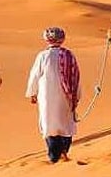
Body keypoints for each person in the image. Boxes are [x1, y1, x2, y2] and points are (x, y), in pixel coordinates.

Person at [25, 26, 81, 163]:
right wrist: (77, 96)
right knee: (66, 124)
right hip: (66, 97)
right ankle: (63, 153)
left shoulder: (43, 56)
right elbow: (76, 77)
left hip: (47, 97)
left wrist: (32, 92)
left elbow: (35, 75)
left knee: (49, 124)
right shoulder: (69, 55)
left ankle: (54, 156)